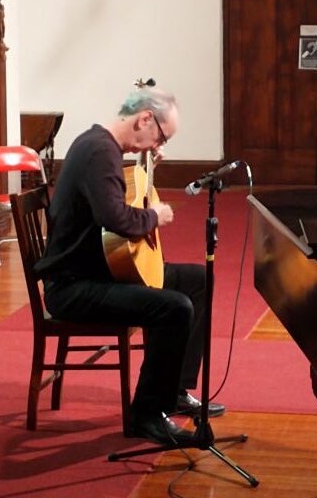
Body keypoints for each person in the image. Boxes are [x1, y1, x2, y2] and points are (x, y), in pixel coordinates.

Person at [35, 85, 224, 445]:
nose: (159, 145)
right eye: (161, 137)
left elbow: (118, 202)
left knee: (198, 281)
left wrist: (147, 167)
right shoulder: (98, 152)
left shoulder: (103, 148)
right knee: (174, 308)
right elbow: (117, 219)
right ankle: (147, 416)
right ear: (145, 119)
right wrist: (154, 215)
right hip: (73, 287)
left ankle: (175, 391)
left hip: (98, 272)